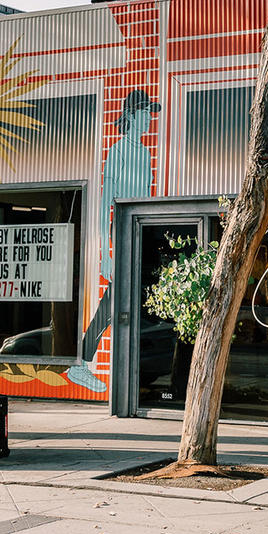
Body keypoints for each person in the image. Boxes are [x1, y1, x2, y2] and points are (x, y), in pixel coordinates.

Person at [66, 89, 160, 392]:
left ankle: (99, 364)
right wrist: (106, 253)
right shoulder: (118, 150)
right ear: (132, 114)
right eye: (145, 113)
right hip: (120, 234)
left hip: (140, 235)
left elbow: (145, 201)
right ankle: (81, 361)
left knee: (128, 302)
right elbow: (107, 200)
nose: (149, 119)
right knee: (114, 302)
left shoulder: (145, 153)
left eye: (150, 113)